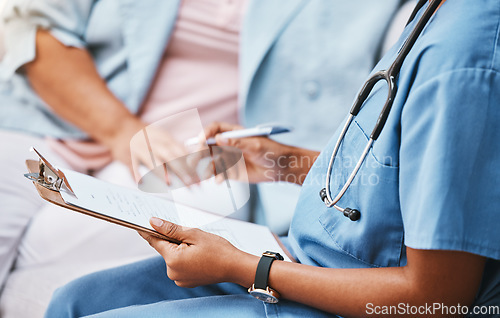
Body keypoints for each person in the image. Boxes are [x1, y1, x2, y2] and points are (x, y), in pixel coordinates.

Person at [43, 0, 500, 317]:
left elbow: (435, 299)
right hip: (305, 258)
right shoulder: (434, 13)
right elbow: (398, 185)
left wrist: (243, 267)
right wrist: (282, 163)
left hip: (339, 296)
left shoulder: (463, 67)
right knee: (74, 303)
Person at [0, 0, 402, 298]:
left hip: (195, 158)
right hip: (50, 118)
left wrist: (284, 162)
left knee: (58, 262)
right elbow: (31, 24)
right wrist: (122, 130)